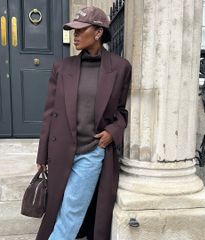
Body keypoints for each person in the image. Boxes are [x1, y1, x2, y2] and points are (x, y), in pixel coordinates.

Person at [35, 6, 132, 240]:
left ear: (98, 32)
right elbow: (50, 113)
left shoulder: (120, 68)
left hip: (91, 152)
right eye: (72, 30)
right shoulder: (62, 67)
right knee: (56, 207)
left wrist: (112, 131)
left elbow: (121, 111)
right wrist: (42, 154)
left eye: (80, 30)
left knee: (71, 210)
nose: (74, 35)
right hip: (60, 150)